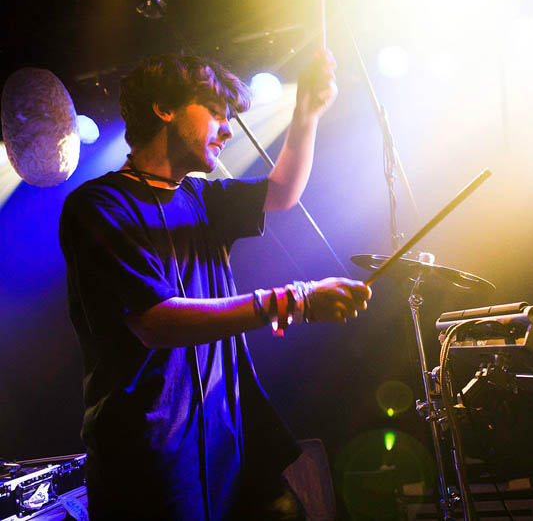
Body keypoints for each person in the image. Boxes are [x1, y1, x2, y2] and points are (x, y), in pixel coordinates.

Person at [58, 51, 371, 520]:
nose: (228, 129)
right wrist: (295, 300)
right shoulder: (99, 206)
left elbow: (282, 191)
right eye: (217, 112)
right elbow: (156, 322)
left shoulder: (201, 198)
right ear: (165, 107)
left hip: (232, 446)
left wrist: (305, 114)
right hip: (151, 460)